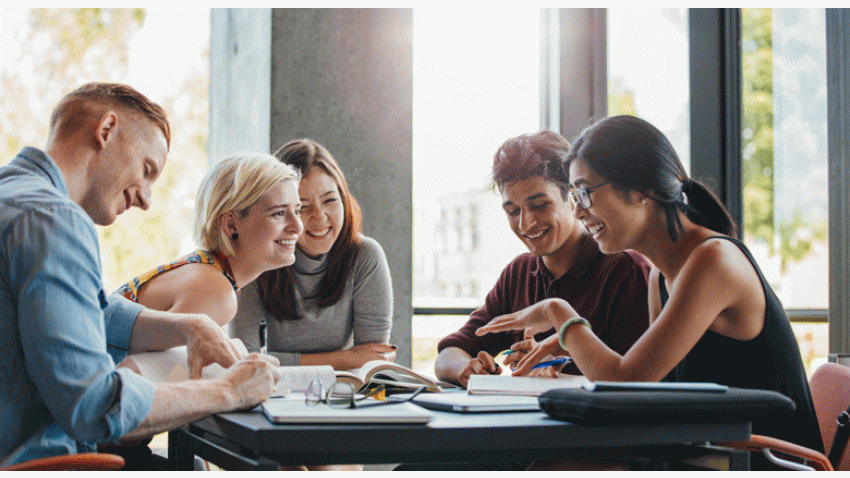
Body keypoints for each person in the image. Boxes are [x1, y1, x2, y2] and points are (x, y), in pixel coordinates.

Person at [477, 115, 823, 470]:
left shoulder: (713, 261)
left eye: (585, 193)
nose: (578, 211)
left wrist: (558, 313)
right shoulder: (660, 275)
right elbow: (647, 392)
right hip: (707, 454)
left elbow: (624, 381)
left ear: (643, 191)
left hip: (760, 462)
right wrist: (569, 344)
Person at [0, 83, 281, 468]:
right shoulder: (54, 220)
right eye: (147, 170)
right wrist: (228, 391)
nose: (146, 200)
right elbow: (94, 406)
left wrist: (190, 326)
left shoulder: (14, 198)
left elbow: (85, 312)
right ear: (106, 130)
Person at [435, 130, 652, 388]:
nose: (525, 224)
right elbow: (450, 352)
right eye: (513, 211)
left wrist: (564, 360)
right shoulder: (519, 273)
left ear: (573, 198)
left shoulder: (625, 270)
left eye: (539, 205)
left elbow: (639, 383)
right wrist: (465, 368)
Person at [230, 138, 395, 369]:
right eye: (302, 207)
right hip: (276, 387)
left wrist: (349, 360)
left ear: (344, 199)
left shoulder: (365, 256)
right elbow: (243, 360)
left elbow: (371, 359)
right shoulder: (257, 258)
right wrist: (344, 358)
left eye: (330, 200)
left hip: (346, 386)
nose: (319, 217)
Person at [116, 152, 303, 327]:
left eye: (297, 211)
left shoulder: (207, 271)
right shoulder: (215, 292)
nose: (297, 226)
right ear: (231, 224)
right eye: (279, 213)